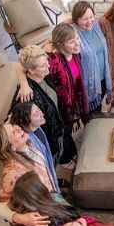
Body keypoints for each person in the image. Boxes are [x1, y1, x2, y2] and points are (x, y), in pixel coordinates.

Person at [17, 23, 90, 165]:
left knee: (66, 140)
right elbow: (20, 65)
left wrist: (50, 39)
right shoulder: (52, 61)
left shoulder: (46, 73)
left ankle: (67, 154)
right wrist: (23, 83)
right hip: (52, 124)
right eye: (71, 41)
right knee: (58, 148)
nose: (48, 67)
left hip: (61, 113)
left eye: (77, 38)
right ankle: (62, 161)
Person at [12, 44, 68, 164]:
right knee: (50, 161)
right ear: (31, 70)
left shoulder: (44, 75)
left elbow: (19, 66)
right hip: (47, 137)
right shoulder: (26, 97)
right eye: (43, 65)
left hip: (57, 125)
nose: (48, 65)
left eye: (46, 61)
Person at [71, 1, 112, 112]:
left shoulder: (96, 25)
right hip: (88, 84)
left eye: (91, 17)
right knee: (91, 111)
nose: (89, 21)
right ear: (76, 19)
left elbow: (112, 13)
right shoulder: (72, 33)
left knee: (99, 106)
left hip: (103, 77)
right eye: (85, 19)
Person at [9, 102, 59, 190]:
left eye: (39, 110)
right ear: (26, 120)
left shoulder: (37, 127)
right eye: (37, 114)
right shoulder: (28, 143)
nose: (42, 114)